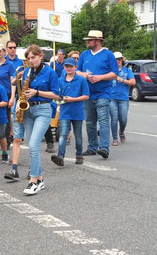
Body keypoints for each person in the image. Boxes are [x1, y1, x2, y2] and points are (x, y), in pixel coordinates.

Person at [20, 45, 60, 195]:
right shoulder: (27, 72)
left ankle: (33, 181)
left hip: (43, 109)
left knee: (33, 144)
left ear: (40, 56)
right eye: (28, 58)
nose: (31, 60)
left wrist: (37, 92)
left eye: (33, 57)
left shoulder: (50, 72)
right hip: (28, 109)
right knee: (32, 147)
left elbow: (56, 95)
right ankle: (41, 179)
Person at [76, 30, 119, 159]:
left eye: (90, 40)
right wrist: (84, 75)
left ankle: (104, 148)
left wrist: (100, 77)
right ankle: (92, 147)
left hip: (103, 93)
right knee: (90, 122)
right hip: (88, 94)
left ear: (98, 41)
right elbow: (77, 71)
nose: (87, 42)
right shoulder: (84, 54)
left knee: (103, 121)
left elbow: (115, 73)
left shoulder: (108, 55)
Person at [50, 57, 89, 167]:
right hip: (65, 112)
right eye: (66, 66)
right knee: (63, 135)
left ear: (76, 67)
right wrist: (58, 99)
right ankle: (60, 156)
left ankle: (79, 155)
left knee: (78, 136)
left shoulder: (81, 80)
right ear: (64, 67)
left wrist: (73, 99)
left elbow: (86, 96)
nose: (68, 68)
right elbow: (56, 95)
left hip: (77, 112)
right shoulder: (60, 80)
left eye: (71, 66)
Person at [109, 52, 135, 145]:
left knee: (123, 119)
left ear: (122, 60)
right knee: (114, 118)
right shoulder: (110, 71)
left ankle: (121, 132)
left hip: (123, 98)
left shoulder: (127, 70)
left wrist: (122, 80)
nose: (117, 61)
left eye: (119, 59)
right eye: (115, 59)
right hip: (112, 98)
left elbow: (133, 82)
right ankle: (115, 138)